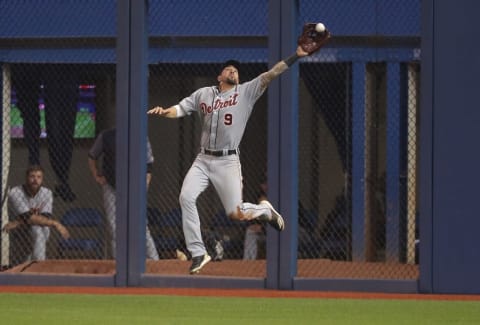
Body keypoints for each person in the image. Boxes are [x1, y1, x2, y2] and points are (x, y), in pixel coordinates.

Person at [148, 45, 311, 274]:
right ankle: (198, 253)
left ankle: (264, 211)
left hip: (227, 162)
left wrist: (296, 56)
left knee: (236, 214)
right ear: (219, 76)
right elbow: (182, 108)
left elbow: (272, 74)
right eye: (229, 70)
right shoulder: (204, 94)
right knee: (185, 197)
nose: (233, 73)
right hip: (203, 159)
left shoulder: (246, 92)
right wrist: (166, 112)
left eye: (236, 71)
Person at [88, 127, 159, 260]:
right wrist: (96, 175)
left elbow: (149, 164)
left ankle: (155, 261)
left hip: (133, 186)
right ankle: (119, 262)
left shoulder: (140, 135)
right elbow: (92, 156)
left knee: (141, 226)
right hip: (111, 185)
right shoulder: (106, 135)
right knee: (114, 227)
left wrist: (144, 185)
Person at [2, 165, 70, 262]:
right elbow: (28, 217)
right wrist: (56, 223)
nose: (35, 180)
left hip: (24, 225)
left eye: (39, 177)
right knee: (39, 229)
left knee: (40, 228)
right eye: (32, 176)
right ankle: (39, 264)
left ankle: (37, 261)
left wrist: (19, 221)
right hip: (17, 230)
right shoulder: (15, 192)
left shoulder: (47, 193)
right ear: (26, 178)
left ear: (42, 179)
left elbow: (46, 216)